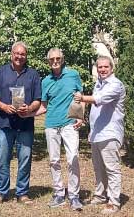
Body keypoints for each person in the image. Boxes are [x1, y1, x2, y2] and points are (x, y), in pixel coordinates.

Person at [0, 41, 41, 204]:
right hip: (3, 124)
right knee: (2, 158)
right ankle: (1, 192)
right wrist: (4, 106)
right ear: (12, 54)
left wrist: (29, 108)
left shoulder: (33, 74)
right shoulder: (0, 72)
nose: (19, 56)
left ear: (26, 56)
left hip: (25, 124)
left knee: (25, 158)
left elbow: (38, 100)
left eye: (22, 54)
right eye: (17, 53)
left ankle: (22, 193)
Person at [74, 56, 126, 214]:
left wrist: (82, 98)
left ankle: (114, 201)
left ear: (112, 68)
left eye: (105, 67)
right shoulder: (99, 83)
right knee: (98, 168)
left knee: (111, 169)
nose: (102, 69)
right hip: (97, 133)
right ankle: (100, 195)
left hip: (110, 133)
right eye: (100, 67)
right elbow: (96, 109)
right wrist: (83, 120)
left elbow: (99, 100)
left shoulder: (115, 85)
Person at [36, 48, 84, 211]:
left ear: (62, 59)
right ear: (48, 61)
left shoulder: (73, 75)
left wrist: (81, 116)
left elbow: (80, 97)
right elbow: (43, 106)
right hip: (51, 125)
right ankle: (58, 194)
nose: (55, 61)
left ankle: (74, 196)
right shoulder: (45, 81)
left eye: (58, 58)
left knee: (73, 158)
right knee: (54, 160)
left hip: (69, 124)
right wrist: (26, 113)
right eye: (51, 59)